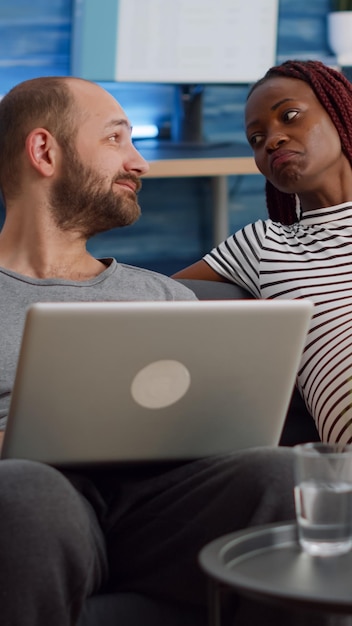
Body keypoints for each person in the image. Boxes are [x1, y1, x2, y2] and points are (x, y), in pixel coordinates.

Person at [0, 75, 308, 626]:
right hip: (31, 501)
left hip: (157, 509)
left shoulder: (164, 295)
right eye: (117, 139)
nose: (140, 164)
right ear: (44, 150)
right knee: (29, 493)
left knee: (281, 474)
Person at [174, 59, 352, 447]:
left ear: (340, 112)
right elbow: (145, 298)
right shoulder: (264, 243)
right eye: (256, 139)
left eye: (290, 116)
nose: (272, 140)